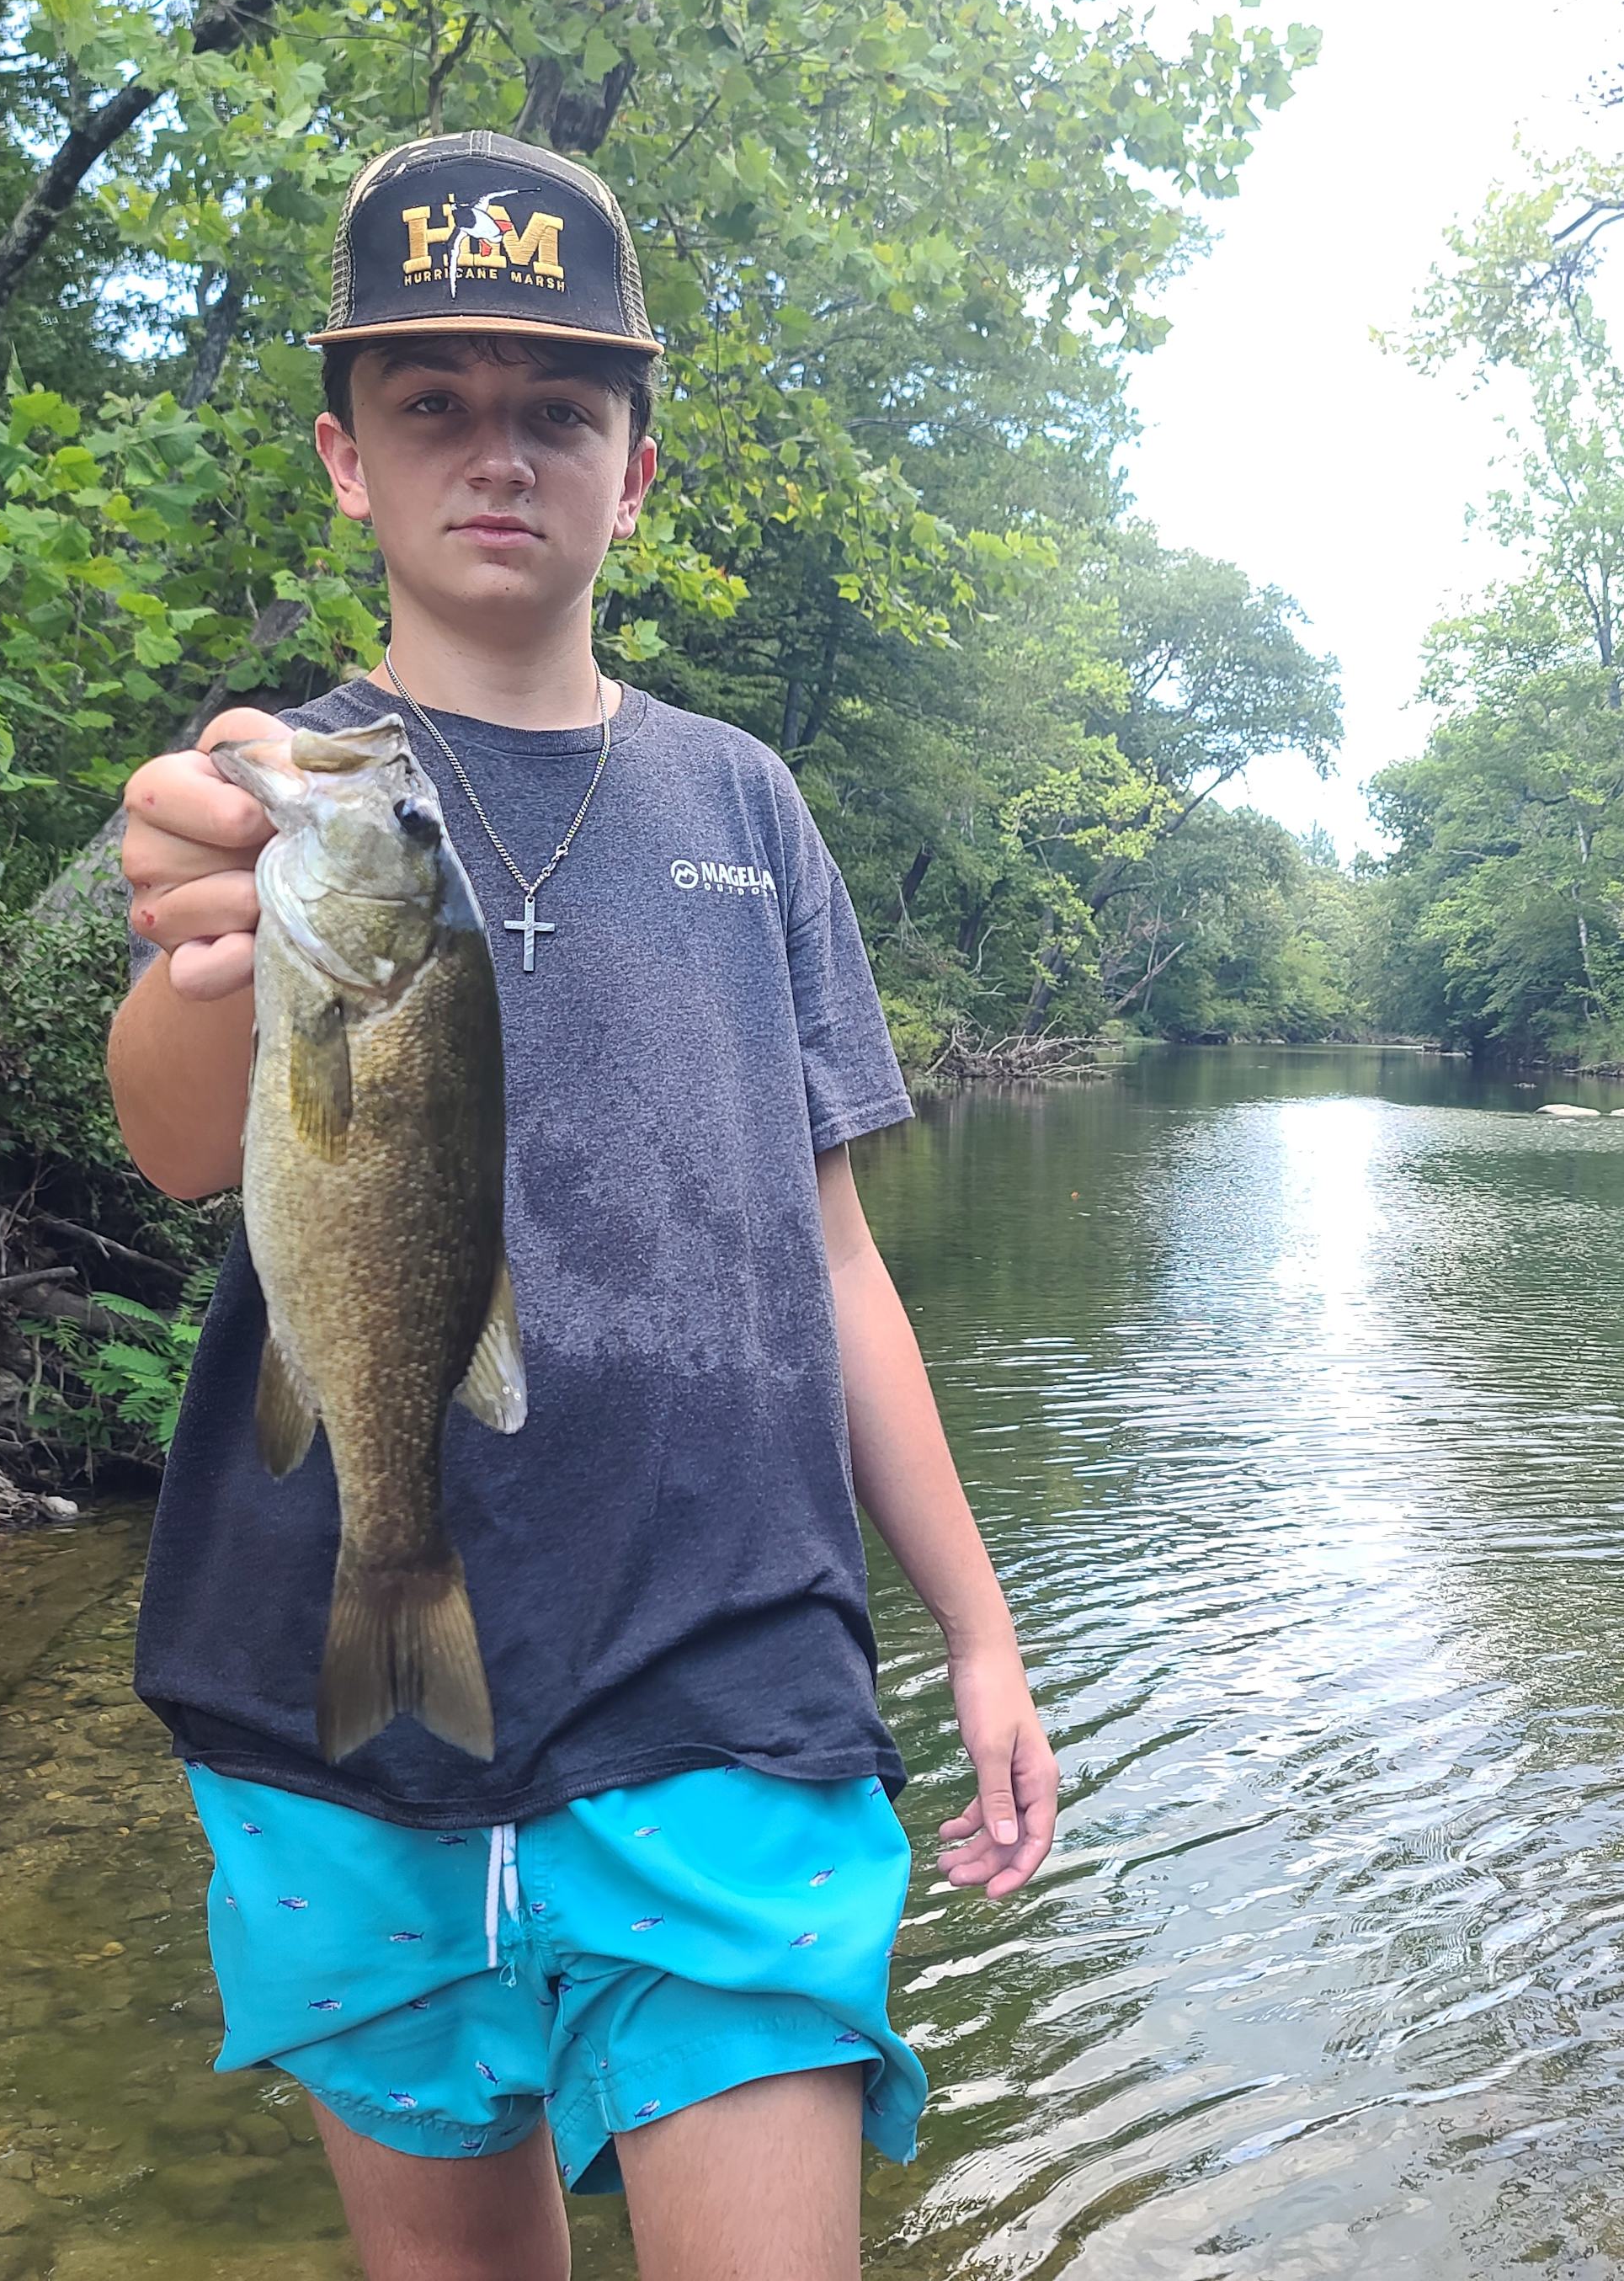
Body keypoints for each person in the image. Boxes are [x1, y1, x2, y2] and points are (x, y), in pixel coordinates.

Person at [108, 131, 1056, 2281]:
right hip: (325, 1697)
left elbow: (839, 1266)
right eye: (432, 406)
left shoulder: (744, 801)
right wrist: (194, 918)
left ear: (635, 473)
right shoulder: (295, 790)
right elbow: (177, 1137)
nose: (497, 453)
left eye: (560, 408)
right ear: (345, 459)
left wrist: (981, 1633)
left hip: (727, 1662)